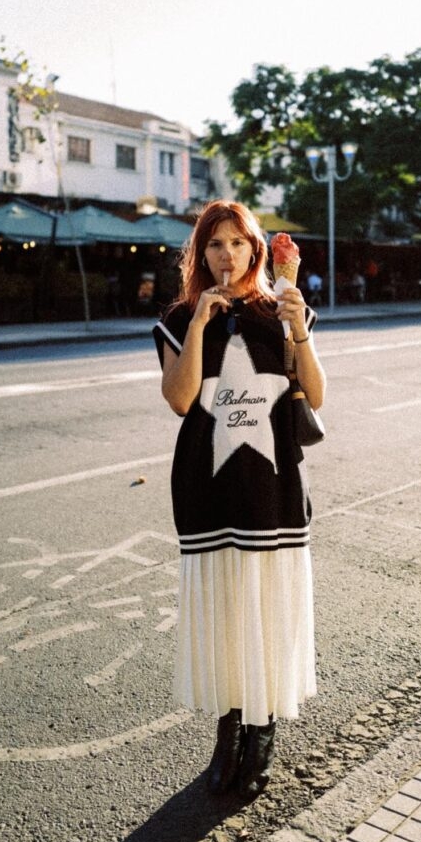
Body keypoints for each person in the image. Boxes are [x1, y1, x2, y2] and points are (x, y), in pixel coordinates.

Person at [153, 200, 325, 798]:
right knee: (226, 610)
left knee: (267, 607)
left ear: (255, 249)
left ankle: (263, 724)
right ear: (200, 255)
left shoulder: (278, 311)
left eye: (237, 243)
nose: (228, 255)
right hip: (208, 487)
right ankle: (230, 723)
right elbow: (180, 399)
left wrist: (297, 321)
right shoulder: (180, 317)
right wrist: (199, 323)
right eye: (215, 245)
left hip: (272, 487)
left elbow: (318, 395)